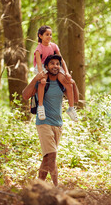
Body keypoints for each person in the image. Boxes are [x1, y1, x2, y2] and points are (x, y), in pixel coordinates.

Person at [22, 54, 68, 186]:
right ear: (46, 67)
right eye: (52, 63)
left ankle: (38, 187)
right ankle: (56, 187)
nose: (55, 66)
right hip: (43, 122)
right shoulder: (41, 81)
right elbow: (25, 95)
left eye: (57, 64)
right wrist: (35, 78)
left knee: (47, 157)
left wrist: (72, 83)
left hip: (58, 124)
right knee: (52, 155)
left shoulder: (61, 81)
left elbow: (74, 99)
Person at [34, 25, 78, 121]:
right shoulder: (39, 48)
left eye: (50, 34)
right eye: (47, 34)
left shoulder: (54, 46)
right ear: (40, 36)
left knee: (68, 83)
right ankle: (40, 106)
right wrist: (41, 74)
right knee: (43, 82)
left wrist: (66, 72)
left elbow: (62, 60)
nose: (49, 36)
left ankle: (71, 108)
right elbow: (38, 62)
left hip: (53, 65)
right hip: (42, 66)